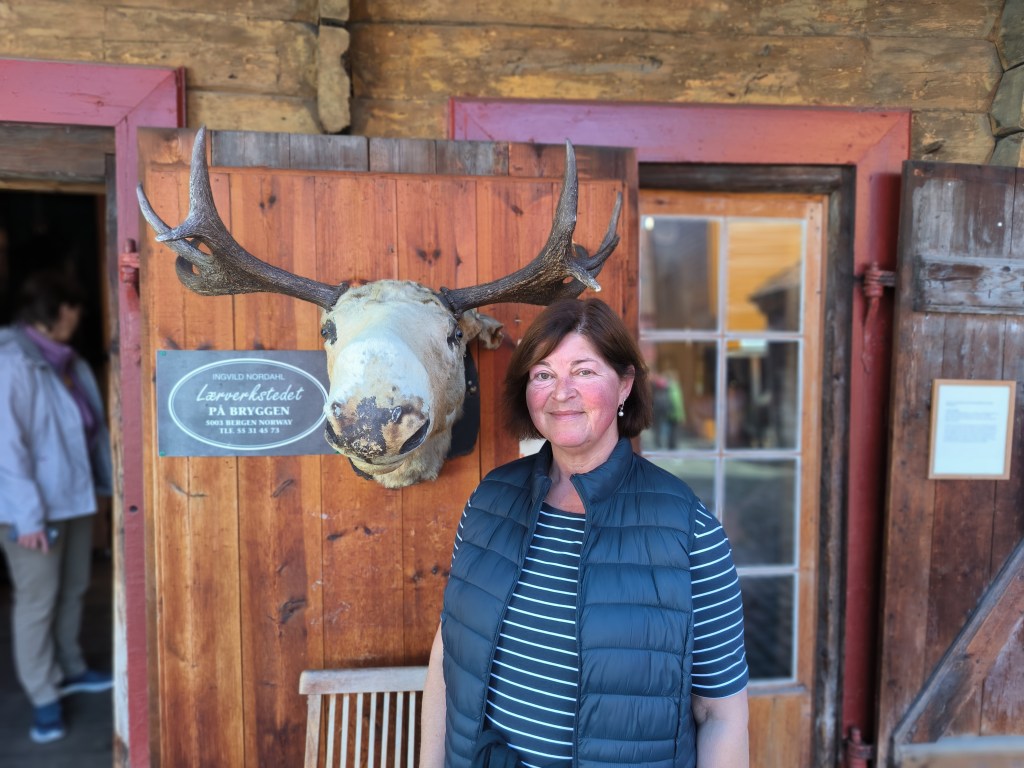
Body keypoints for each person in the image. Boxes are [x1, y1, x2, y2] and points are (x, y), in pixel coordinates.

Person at [421, 298, 749, 768]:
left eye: (584, 371)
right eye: (543, 374)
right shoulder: (488, 501)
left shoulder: (690, 530)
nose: (561, 393)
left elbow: (721, 714)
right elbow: (448, 652)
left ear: (625, 385)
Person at [0, 271, 114, 744]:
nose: (78, 317)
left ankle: (70, 667)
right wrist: (27, 516)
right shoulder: (12, 362)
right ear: (54, 311)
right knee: (37, 601)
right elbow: (7, 448)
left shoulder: (67, 361)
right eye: (72, 308)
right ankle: (44, 695)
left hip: (73, 498)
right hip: (30, 510)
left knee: (72, 589)